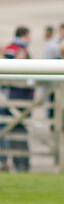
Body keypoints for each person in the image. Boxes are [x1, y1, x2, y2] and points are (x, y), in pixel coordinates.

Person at [1, 27, 33, 172]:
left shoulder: (9, 49)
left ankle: (20, 164)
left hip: (14, 105)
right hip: (10, 104)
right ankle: (11, 163)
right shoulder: (16, 50)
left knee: (15, 134)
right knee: (10, 134)